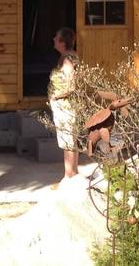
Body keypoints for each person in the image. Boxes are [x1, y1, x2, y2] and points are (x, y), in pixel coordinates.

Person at [48, 27, 79, 188]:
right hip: (66, 106)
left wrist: (56, 96)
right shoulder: (68, 57)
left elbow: (70, 84)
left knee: (67, 141)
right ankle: (72, 175)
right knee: (69, 140)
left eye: (56, 37)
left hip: (66, 107)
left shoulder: (67, 59)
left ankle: (69, 177)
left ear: (62, 42)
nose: (53, 39)